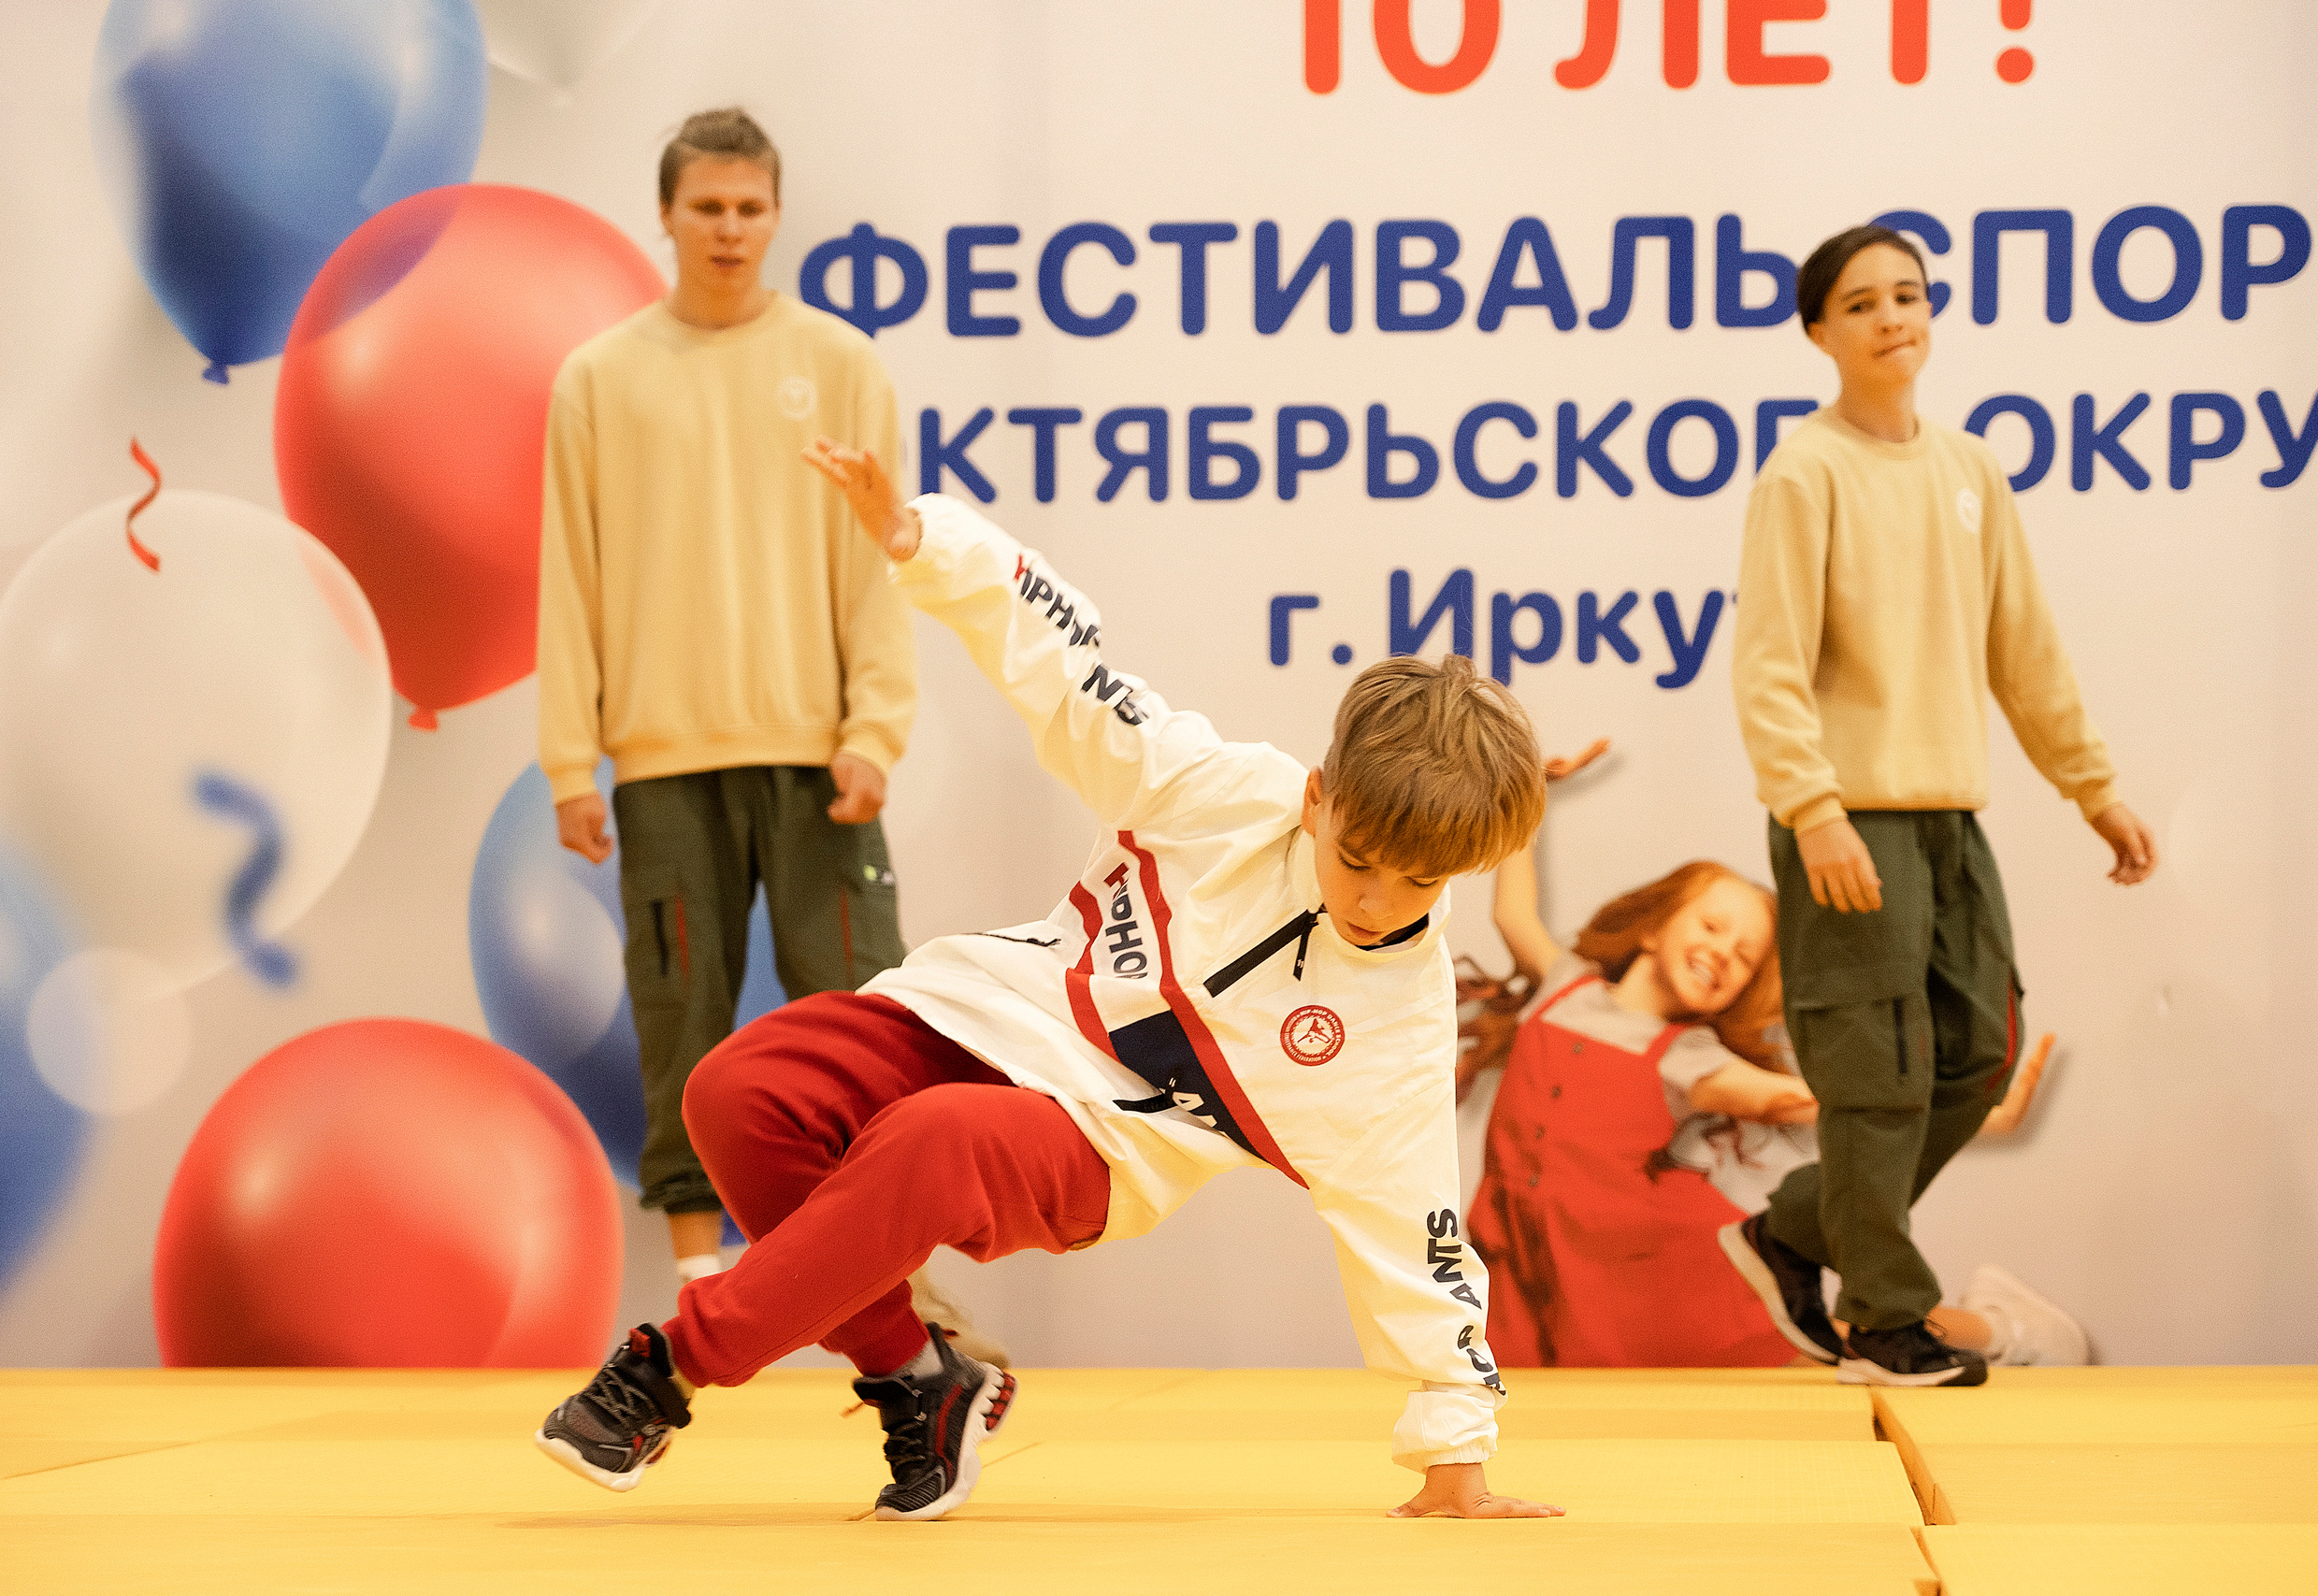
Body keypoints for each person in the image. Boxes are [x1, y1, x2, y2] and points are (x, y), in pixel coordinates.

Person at [534, 449, 1565, 1523]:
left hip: (1109, 1146)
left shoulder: (1394, 1026)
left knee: (932, 1140)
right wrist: (929, 545)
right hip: (996, 1014)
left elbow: (1417, 1234)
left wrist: (1456, 1455)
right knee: (737, 1092)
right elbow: (1069, 670)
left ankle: (666, 1373)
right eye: (1357, 860)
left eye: (1421, 883)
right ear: (1316, 799)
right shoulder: (1213, 792)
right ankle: (922, 1379)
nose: (1377, 901)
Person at [1724, 223, 2155, 1388]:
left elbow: (2024, 649)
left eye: (1907, 295)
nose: (1890, 318)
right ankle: (1884, 1318)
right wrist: (1813, 810)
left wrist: (2093, 789)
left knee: (1975, 1053)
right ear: (1818, 332)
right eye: (1861, 303)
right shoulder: (1803, 473)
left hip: (1948, 820)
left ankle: (1794, 1229)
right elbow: (1766, 666)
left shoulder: (1968, 470)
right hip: (1846, 818)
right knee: (1874, 1075)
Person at [535, 108, 914, 1289]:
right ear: (666, 214)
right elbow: (570, 576)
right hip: (661, 763)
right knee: (680, 1025)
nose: (729, 229)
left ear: (777, 214)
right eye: (707, 207)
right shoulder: (598, 381)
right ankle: (702, 1289)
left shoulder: (841, 366)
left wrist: (874, 733)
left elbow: (878, 563)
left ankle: (883, 1287)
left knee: (862, 1022)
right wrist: (569, 762)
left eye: (750, 208)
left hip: (817, 759)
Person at [1460, 743, 2085, 1370]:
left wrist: (1977, 1114)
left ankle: (2004, 1329)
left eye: (1744, 956)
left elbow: (1815, 1104)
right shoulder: (1565, 985)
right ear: (1652, 927)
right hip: (1517, 1247)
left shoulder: (1687, 1058)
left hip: (1638, 1254)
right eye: (1711, 926)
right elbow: (1512, 912)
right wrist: (1529, 788)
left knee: (1818, 1340)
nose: (1722, 952)